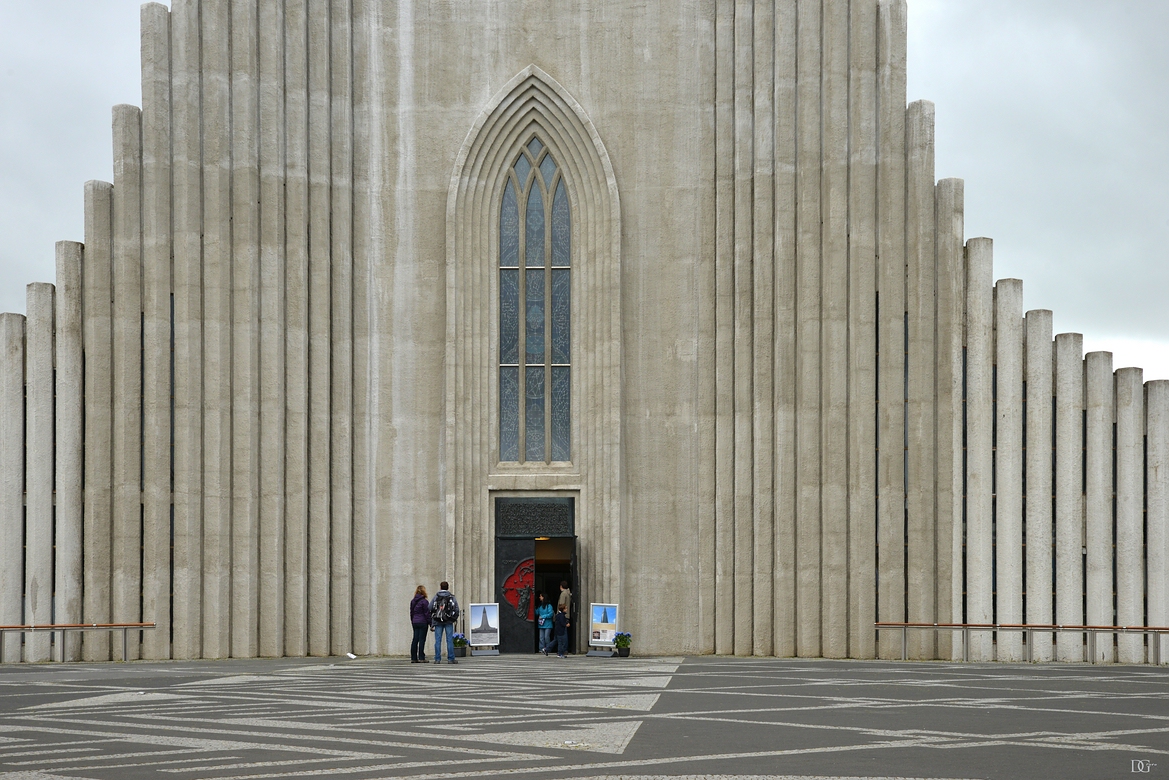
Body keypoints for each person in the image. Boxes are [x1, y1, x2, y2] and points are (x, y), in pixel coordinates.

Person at [430, 581, 461, 664]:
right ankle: (451, 659)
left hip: (438, 620)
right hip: (448, 620)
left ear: (440, 587)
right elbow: (456, 609)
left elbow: (430, 607)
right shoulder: (451, 597)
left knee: (438, 640)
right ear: (448, 587)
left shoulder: (436, 596)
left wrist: (433, 621)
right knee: (449, 640)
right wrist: (453, 618)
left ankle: (437, 659)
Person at [409, 585, 430, 663]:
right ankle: (421, 657)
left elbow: (411, 612)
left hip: (415, 622)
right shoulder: (425, 601)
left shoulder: (413, 601)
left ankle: (413, 657)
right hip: (423, 622)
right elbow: (427, 613)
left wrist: (412, 620)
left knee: (415, 639)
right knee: (422, 640)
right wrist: (430, 623)